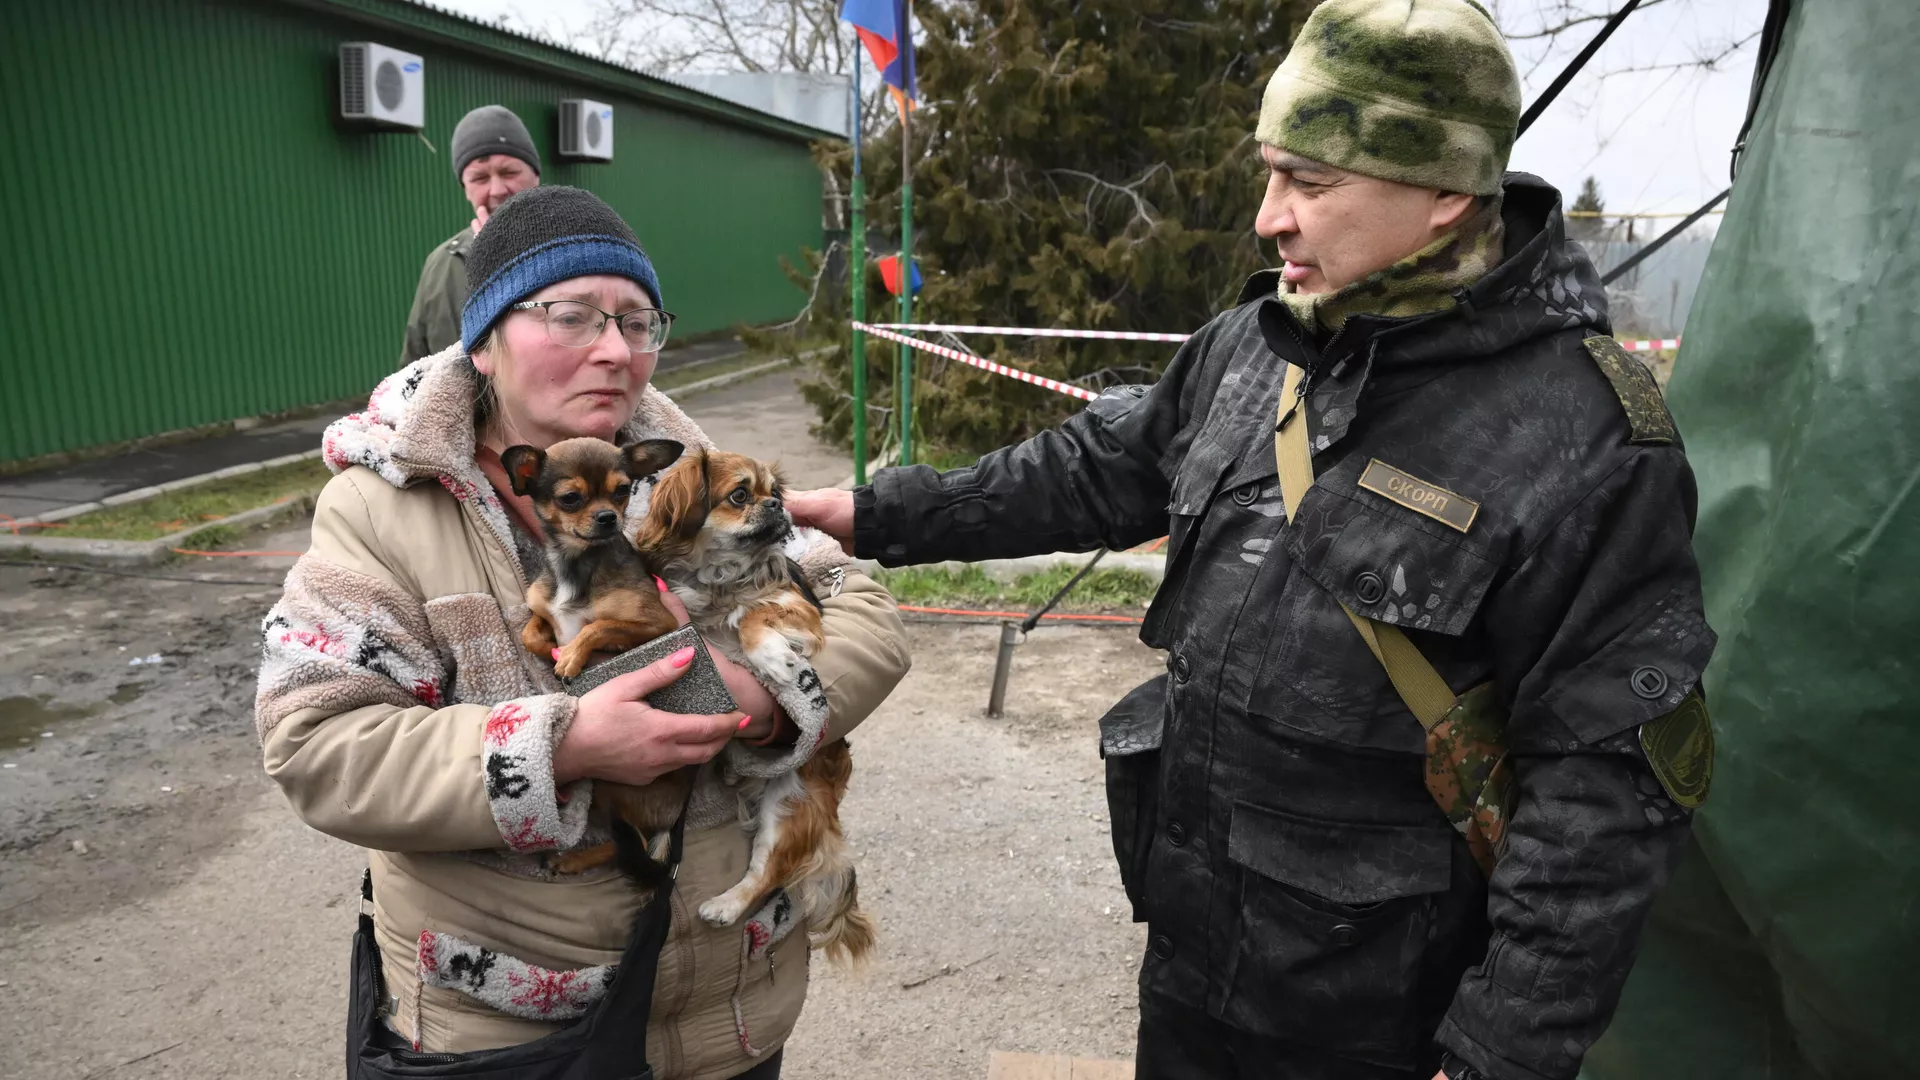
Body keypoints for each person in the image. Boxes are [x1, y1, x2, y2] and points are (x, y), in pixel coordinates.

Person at [786, 2, 1715, 1078]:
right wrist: (875, 513)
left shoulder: (1589, 438)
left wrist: (1499, 1053)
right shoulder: (1253, 346)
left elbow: (1605, 792)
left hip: (1380, 1023)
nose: (1271, 218)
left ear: (1446, 192)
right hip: (1193, 954)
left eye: (1311, 184)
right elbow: (1101, 469)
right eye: (1270, 173)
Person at [260, 185, 911, 1079]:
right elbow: (318, 742)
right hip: (514, 1031)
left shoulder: (690, 471)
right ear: (484, 342)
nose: (614, 350)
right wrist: (561, 748)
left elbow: (862, 605)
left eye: (639, 322)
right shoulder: (381, 510)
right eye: (571, 316)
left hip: (731, 1017)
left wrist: (765, 695)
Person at [400, 105, 543, 365]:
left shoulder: (579, 249)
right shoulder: (441, 264)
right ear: (465, 189)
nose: (497, 189)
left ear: (535, 177)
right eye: (479, 178)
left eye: (509, 172)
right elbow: (412, 373)